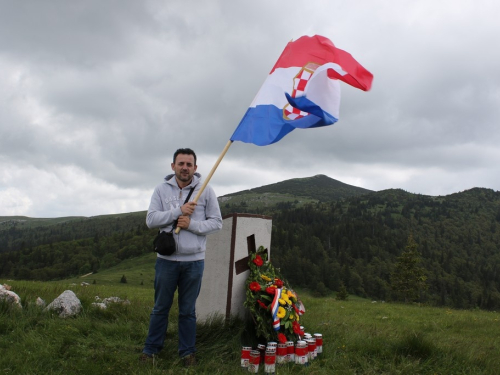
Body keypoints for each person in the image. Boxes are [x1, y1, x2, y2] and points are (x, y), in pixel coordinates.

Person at [140, 148, 222, 367]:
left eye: (189, 164)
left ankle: (187, 353)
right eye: (181, 163)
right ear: (173, 166)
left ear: (195, 168)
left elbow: (216, 223)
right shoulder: (161, 190)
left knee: (187, 311)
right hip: (166, 261)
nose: (184, 168)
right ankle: (151, 350)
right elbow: (151, 220)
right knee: (160, 307)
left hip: (194, 262)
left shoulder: (205, 190)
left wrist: (192, 225)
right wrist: (179, 211)